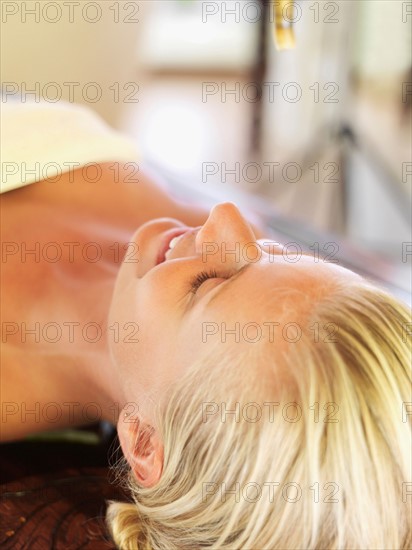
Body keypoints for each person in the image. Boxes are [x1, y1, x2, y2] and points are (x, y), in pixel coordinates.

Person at [1, 102, 410, 549]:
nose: (225, 220)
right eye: (281, 254)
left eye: (205, 285)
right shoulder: (220, 235)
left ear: (143, 442)